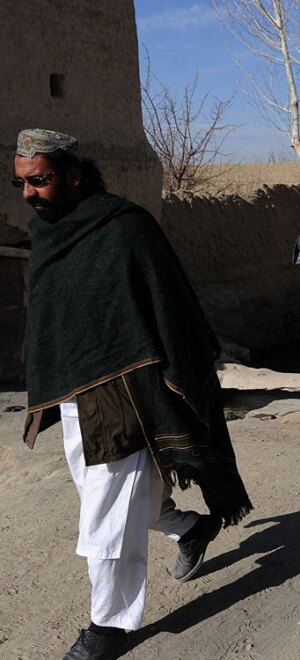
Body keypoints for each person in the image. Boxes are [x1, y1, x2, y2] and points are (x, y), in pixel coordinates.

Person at [13, 129, 252, 660]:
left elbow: (171, 304)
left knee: (105, 513)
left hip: (129, 392)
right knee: (123, 501)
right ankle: (191, 528)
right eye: (21, 183)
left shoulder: (124, 226)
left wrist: (182, 373)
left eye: (40, 180)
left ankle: (108, 625)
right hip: (76, 394)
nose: (29, 193)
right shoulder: (47, 233)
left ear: (75, 175)